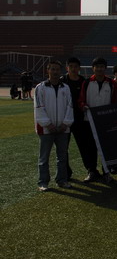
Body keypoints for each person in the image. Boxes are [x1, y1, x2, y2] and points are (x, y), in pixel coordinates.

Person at [34, 60, 74, 191]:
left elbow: (70, 106)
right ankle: (43, 182)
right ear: (48, 70)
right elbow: (39, 107)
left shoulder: (65, 88)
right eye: (53, 69)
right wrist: (48, 124)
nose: (55, 72)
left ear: (60, 71)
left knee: (62, 156)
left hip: (63, 128)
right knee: (44, 157)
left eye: (57, 69)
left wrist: (65, 123)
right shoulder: (40, 87)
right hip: (46, 129)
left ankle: (62, 180)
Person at [79, 57, 117, 183]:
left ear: (105, 68)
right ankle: (92, 171)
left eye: (102, 67)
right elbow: (81, 99)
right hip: (89, 121)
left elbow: (114, 102)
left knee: (105, 148)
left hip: (105, 122)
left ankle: (106, 172)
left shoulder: (111, 83)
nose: (99, 69)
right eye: (97, 67)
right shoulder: (86, 82)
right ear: (93, 68)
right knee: (90, 147)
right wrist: (83, 106)